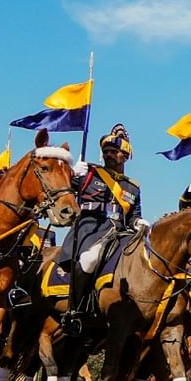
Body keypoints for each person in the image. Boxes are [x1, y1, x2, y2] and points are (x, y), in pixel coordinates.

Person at [59, 124, 148, 336]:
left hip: (120, 233)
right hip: (92, 227)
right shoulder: (90, 173)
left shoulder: (132, 187)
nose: (109, 155)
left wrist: (138, 223)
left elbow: (134, 214)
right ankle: (75, 310)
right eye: (106, 151)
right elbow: (64, 192)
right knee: (89, 260)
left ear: (125, 155)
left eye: (114, 151)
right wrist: (72, 175)